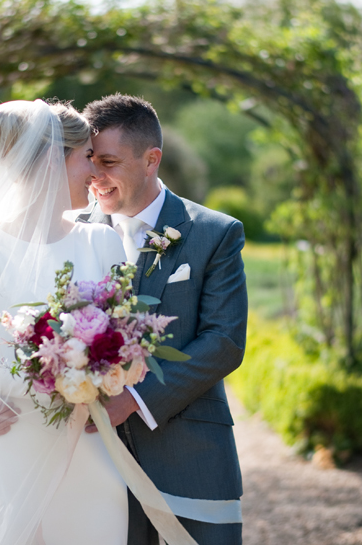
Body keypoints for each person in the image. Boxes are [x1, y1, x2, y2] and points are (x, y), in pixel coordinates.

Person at [0, 99, 129, 544]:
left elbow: (125, 337)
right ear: (50, 159)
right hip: (12, 441)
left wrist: (89, 367)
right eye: (86, 157)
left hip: (89, 440)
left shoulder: (103, 242)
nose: (96, 173)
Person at [79, 94, 248, 545]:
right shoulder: (70, 233)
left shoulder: (214, 233)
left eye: (109, 162)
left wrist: (134, 398)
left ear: (151, 159)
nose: (96, 176)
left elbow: (224, 341)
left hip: (190, 455)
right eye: (89, 160)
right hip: (90, 463)